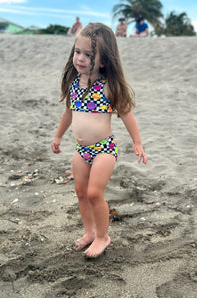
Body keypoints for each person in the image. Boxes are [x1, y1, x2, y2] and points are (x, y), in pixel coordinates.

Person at [51, 22, 147, 258]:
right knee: (81, 191)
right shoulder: (75, 85)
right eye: (77, 52)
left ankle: (104, 237)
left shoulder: (107, 87)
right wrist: (58, 136)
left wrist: (137, 142)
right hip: (81, 150)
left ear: (104, 61)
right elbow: (69, 113)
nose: (80, 58)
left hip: (104, 149)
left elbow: (125, 114)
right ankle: (91, 232)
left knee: (95, 193)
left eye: (88, 54)